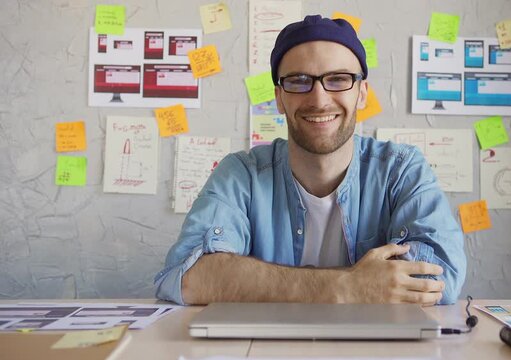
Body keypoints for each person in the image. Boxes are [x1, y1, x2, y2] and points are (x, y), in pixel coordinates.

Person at [155, 15, 466, 306]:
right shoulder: (241, 174)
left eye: (338, 79)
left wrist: (262, 283)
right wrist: (345, 287)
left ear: (362, 94)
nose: (318, 99)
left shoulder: (401, 170)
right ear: (279, 97)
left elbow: (437, 279)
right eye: (299, 80)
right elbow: (188, 278)